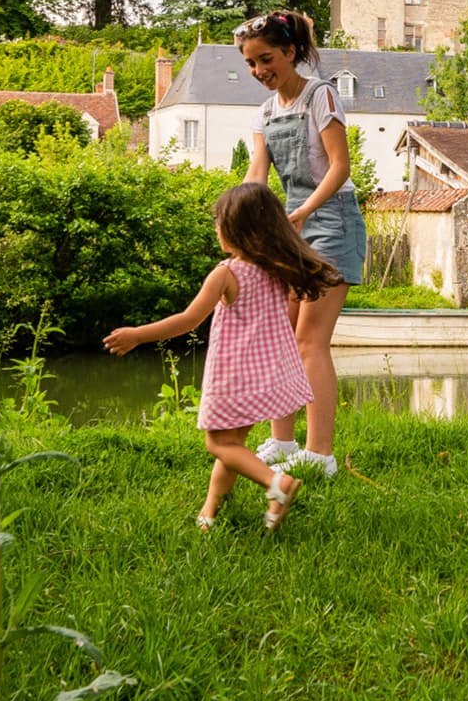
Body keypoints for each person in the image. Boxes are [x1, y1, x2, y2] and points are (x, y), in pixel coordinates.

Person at [104, 182, 343, 530]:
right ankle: (210, 514)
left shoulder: (226, 274)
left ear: (236, 230)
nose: (216, 230)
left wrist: (137, 335)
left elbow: (187, 321)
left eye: (219, 223)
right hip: (267, 374)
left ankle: (277, 484)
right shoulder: (276, 267)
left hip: (234, 377)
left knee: (218, 444)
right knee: (233, 445)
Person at [234, 9, 368, 478]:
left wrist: (303, 211)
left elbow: (339, 167)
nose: (258, 71)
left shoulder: (320, 95)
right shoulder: (266, 112)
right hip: (289, 226)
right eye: (251, 63)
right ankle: (281, 439)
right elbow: (257, 174)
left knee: (310, 339)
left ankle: (320, 453)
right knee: (281, 337)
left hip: (330, 221)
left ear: (290, 52)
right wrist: (248, 216)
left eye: (265, 59)